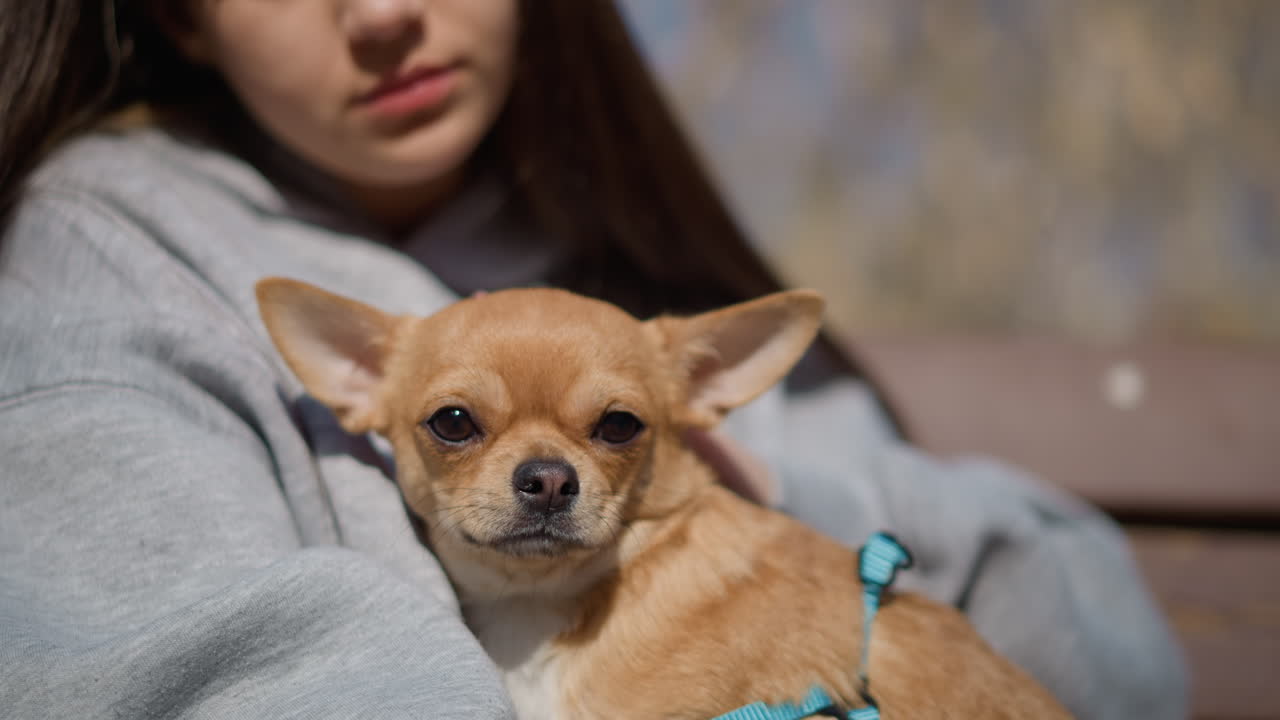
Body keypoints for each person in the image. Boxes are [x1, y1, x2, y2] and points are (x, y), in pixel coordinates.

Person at [0, 1, 1185, 718]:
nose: (380, 16)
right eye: (458, 423)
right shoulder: (108, 274)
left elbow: (1123, 659)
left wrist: (777, 498)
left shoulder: (634, 254)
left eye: (609, 427)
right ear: (179, 13)